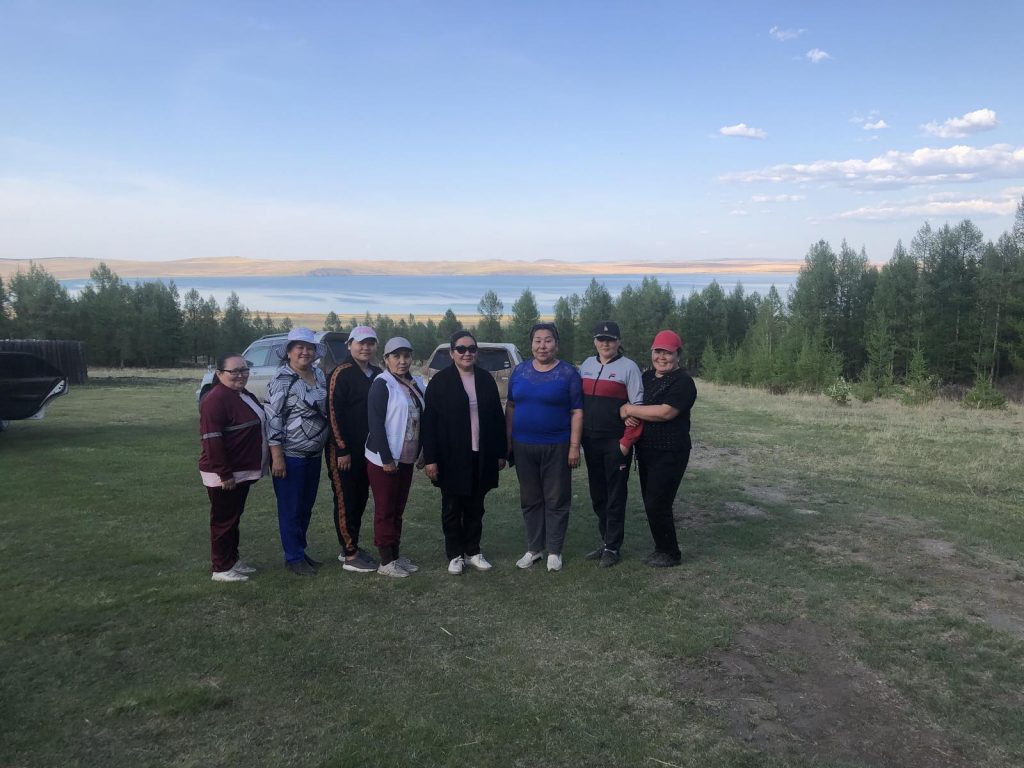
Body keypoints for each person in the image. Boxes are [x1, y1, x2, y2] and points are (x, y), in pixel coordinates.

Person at [422, 331, 508, 575]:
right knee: (452, 507)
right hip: (451, 456)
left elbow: (497, 418)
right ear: (452, 353)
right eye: (461, 349)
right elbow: (429, 423)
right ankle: (455, 555)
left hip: (480, 454)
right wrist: (431, 459)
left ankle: (472, 551)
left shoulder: (485, 379)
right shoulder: (440, 382)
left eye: (471, 349)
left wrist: (500, 452)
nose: (467, 353)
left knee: (475, 507)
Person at [505, 322, 583, 572]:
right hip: (523, 445)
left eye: (548, 340)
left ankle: (555, 551)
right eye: (537, 340)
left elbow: (577, 411)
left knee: (556, 498)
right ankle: (534, 548)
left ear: (556, 344)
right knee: (530, 498)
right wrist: (508, 439)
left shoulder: (568, 374)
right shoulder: (520, 371)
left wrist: (574, 446)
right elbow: (511, 406)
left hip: (557, 445)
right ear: (531, 344)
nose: (542, 346)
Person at [619, 330, 697, 567]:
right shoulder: (647, 377)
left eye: (668, 353)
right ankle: (661, 548)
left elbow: (665, 412)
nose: (662, 357)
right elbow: (635, 401)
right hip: (647, 450)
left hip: (671, 452)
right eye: (658, 352)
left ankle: (670, 553)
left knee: (658, 502)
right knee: (650, 501)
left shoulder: (683, 382)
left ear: (678, 355)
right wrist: (628, 415)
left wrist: (630, 410)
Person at [579, 321, 644, 568]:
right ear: (595, 341)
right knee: (598, 495)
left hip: (615, 443)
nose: (605, 344)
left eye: (610, 339)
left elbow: (638, 408)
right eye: (601, 339)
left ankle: (613, 547)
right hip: (590, 442)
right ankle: (605, 540)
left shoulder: (629, 368)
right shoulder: (587, 365)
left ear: (618, 342)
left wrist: (626, 443)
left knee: (615, 495)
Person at [266, 327, 330, 577]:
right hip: (290, 456)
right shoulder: (281, 379)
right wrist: (277, 456)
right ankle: (293, 557)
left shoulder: (318, 374)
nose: (305, 352)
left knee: (305, 507)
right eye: (299, 347)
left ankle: (300, 551)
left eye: (309, 347)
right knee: (290, 508)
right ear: (289, 352)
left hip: (313, 455)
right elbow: (273, 419)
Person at [199, 354, 268, 582]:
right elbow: (212, 440)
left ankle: (232, 560)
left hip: (240, 471)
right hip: (224, 474)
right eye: (234, 371)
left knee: (233, 518)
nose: (241, 375)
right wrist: (224, 473)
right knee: (223, 521)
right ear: (219, 374)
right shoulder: (215, 399)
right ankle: (220, 568)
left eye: (244, 370)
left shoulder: (242, 394)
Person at [365, 336, 426, 578]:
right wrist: (387, 459)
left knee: (398, 508)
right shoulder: (382, 384)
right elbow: (376, 424)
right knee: (385, 509)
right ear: (386, 359)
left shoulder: (415, 383)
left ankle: (395, 555)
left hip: (406, 457)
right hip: (385, 459)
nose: (402, 361)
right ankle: (385, 560)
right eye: (396, 356)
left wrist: (422, 451)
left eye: (406, 356)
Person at [326, 325, 382, 573]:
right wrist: (341, 449)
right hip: (344, 451)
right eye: (361, 343)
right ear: (349, 345)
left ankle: (351, 546)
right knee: (346, 499)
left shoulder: (377, 373)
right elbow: (333, 412)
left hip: (368, 451)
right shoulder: (341, 373)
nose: (366, 348)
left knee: (359, 499)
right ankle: (350, 555)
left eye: (370, 343)